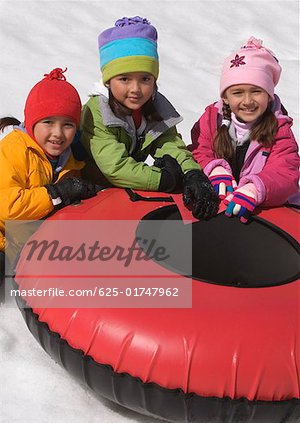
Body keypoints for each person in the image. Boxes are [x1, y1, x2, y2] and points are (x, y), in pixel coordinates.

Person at [80, 16, 219, 220]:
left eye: (145, 79)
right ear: (108, 81)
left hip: (120, 194)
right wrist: (163, 180)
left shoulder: (153, 105)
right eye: (124, 79)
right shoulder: (97, 112)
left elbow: (169, 143)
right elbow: (115, 167)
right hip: (86, 194)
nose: (135, 89)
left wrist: (192, 174)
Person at [189, 37, 299, 223]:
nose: (248, 101)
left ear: (269, 95)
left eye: (256, 91)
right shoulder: (211, 120)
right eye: (238, 92)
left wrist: (256, 188)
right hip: (222, 207)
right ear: (225, 97)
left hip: (267, 211)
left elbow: (285, 172)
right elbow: (198, 150)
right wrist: (214, 170)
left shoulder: (278, 128)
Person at [0, 68, 100, 265]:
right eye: (48, 122)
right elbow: (7, 207)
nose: (58, 133)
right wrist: (56, 193)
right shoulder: (15, 148)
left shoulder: (70, 159)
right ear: (31, 123)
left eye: (68, 125)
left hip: (29, 247)